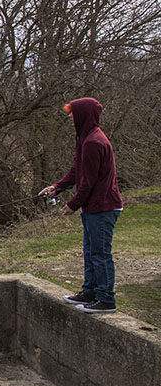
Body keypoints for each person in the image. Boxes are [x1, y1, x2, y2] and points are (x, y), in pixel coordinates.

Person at [39, 97, 123, 313]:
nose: (70, 118)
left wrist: (73, 205)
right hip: (93, 208)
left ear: (83, 115)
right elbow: (77, 171)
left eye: (72, 114)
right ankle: (90, 292)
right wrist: (56, 187)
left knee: (100, 252)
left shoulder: (95, 142)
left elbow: (88, 182)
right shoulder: (84, 139)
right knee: (90, 251)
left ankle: (106, 298)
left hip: (104, 207)